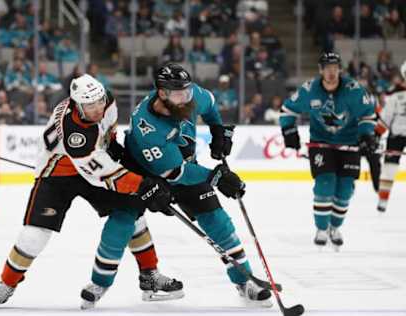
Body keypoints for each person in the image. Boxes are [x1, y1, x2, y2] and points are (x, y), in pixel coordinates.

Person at [0, 74, 181, 309]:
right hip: (58, 172)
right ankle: (7, 283)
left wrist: (113, 147)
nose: (97, 108)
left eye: (98, 102)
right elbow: (106, 175)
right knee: (34, 235)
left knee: (133, 212)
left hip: (93, 162)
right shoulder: (75, 133)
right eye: (89, 105)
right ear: (77, 104)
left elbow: (108, 133)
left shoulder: (107, 100)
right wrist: (144, 186)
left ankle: (149, 275)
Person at [120, 63, 273, 307]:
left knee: (219, 223)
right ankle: (144, 277)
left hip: (182, 166)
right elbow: (175, 173)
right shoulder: (146, 125)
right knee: (126, 221)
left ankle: (244, 281)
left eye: (187, 91)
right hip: (148, 175)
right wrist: (217, 177)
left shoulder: (189, 97)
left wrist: (218, 132)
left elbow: (211, 106)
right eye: (179, 94)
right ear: (162, 93)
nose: (186, 98)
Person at [280, 52, 377, 250]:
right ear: (321, 70)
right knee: (325, 183)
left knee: (345, 189)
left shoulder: (354, 90)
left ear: (340, 69)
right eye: (327, 68)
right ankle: (321, 229)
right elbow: (287, 110)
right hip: (321, 143)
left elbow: (368, 114)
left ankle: (335, 227)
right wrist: (289, 131)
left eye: (335, 68)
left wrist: (367, 135)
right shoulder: (310, 89)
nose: (331, 72)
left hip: (349, 143)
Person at [377, 61, 406, 212]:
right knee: (389, 168)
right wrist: (375, 135)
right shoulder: (395, 96)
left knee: (389, 168)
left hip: (397, 135)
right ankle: (383, 200)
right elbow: (385, 118)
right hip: (396, 136)